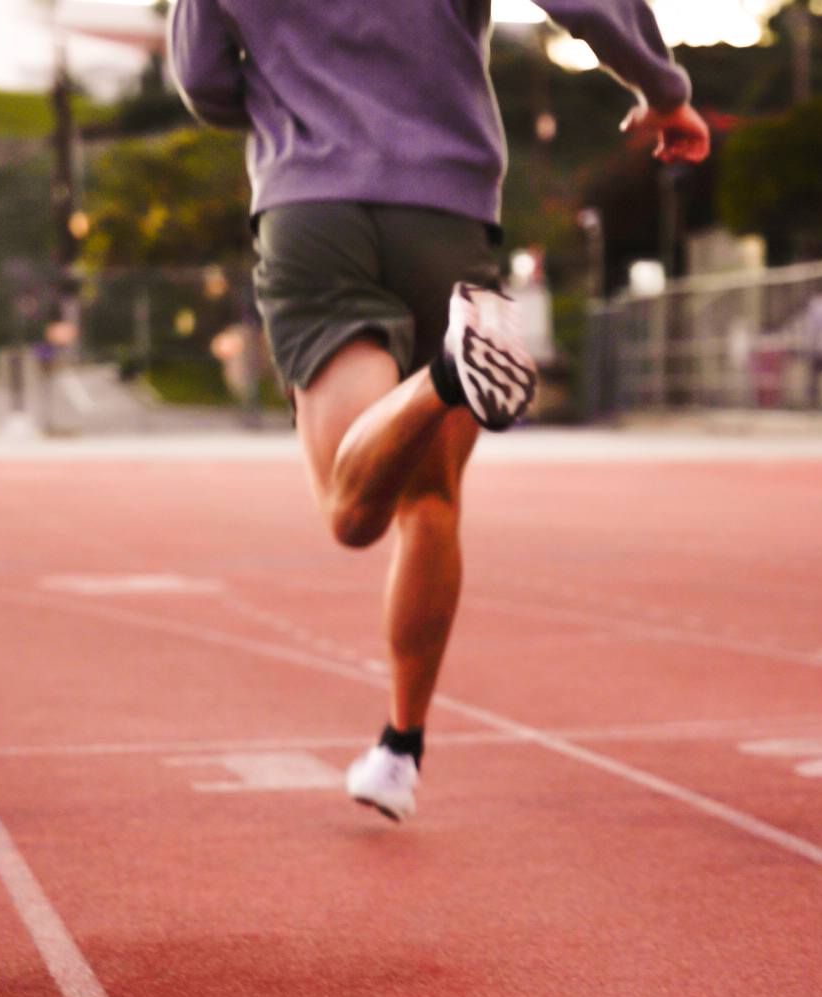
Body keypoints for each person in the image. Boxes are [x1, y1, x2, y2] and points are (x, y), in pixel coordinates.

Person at [170, 0, 710, 820]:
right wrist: (663, 89)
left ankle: (444, 376)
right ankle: (401, 749)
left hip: (312, 213)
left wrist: (296, 96)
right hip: (446, 215)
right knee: (432, 502)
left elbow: (205, 80)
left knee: (354, 514)